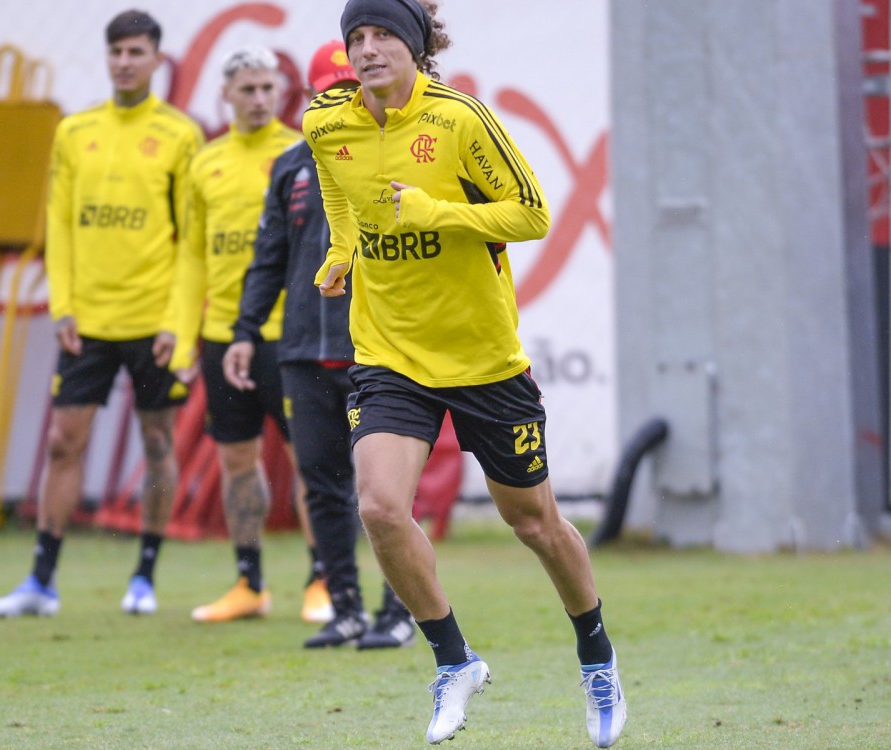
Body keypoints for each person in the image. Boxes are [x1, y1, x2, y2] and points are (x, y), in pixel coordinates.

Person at [304, 0, 628, 745]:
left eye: (383, 34)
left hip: (483, 359)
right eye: (355, 37)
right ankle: (454, 660)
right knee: (381, 508)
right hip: (390, 353)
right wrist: (342, 250)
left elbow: (534, 214)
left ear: (414, 47)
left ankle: (597, 656)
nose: (367, 48)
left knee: (533, 523)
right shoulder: (325, 121)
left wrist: (437, 211)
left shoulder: (459, 120)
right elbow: (338, 194)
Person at [0, 10, 203, 618]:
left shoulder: (182, 135)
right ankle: (40, 582)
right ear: (107, 58)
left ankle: (145, 575)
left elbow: (191, 240)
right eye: (117, 52)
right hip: (88, 322)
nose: (125, 61)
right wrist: (62, 306)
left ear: (157, 59)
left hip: (153, 321)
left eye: (137, 51)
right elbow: (58, 222)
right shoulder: (76, 131)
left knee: (157, 442)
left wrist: (177, 325)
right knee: (62, 441)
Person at [224, 40, 415, 650]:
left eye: (347, 90)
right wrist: (246, 332)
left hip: (379, 351)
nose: (338, 101)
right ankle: (347, 609)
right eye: (326, 92)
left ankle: (399, 612)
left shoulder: (396, 155)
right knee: (322, 485)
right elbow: (268, 258)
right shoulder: (289, 165)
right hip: (304, 351)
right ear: (308, 97)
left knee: (385, 494)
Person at [167, 46, 329, 624]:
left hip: (291, 336)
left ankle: (323, 579)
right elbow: (190, 256)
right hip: (221, 337)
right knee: (238, 461)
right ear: (226, 95)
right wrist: (183, 336)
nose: (259, 99)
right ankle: (248, 582)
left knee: (311, 461)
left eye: (268, 88)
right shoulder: (205, 163)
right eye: (248, 89)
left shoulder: (299, 153)